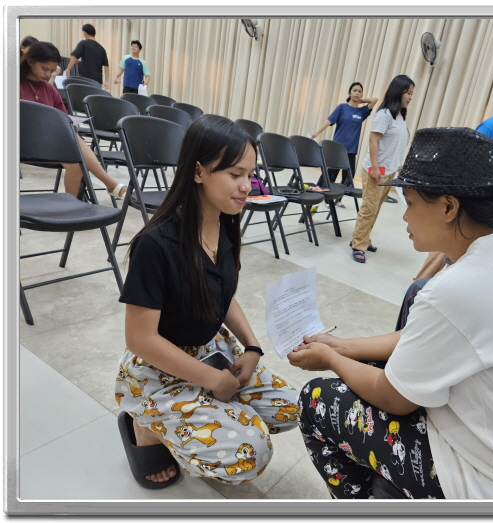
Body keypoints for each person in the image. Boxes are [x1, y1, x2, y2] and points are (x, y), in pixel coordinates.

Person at [289, 127, 493, 499]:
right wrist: (344, 346)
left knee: (317, 398)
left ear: (448, 207)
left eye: (411, 202)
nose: (404, 216)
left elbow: (394, 398)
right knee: (375, 362)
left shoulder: (461, 287)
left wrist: (331, 359)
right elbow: (422, 337)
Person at [115, 115, 299, 489]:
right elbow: (140, 339)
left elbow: (220, 293)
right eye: (235, 174)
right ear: (198, 171)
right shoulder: (156, 244)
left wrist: (252, 347)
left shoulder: (226, 223)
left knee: (292, 408)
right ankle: (145, 424)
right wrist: (214, 379)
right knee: (251, 454)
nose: (247, 186)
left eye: (251, 175)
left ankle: (205, 412)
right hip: (160, 366)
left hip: (211, 349)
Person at [413, 82, 493, 281]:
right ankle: (417, 290)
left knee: (455, 254)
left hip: (482, 199)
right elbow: (468, 159)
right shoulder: (492, 126)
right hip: (468, 197)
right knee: (443, 251)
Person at [20, 42, 126, 199]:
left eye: (52, 71)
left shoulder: (49, 90)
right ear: (30, 62)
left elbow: (63, 118)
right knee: (72, 139)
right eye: (44, 69)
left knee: (76, 162)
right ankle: (111, 184)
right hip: (22, 141)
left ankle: (71, 205)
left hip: (49, 142)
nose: (48, 74)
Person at [350, 74, 414, 263]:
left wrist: (398, 164)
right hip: (375, 171)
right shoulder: (384, 115)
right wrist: (376, 168)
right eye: (408, 93)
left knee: (375, 208)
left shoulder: (400, 116)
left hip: (390, 171)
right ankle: (358, 245)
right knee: (368, 209)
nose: (410, 97)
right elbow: (373, 141)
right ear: (398, 92)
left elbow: (395, 144)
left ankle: (362, 238)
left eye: (412, 93)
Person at [311, 82, 377, 208]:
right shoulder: (342, 107)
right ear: (349, 93)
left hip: (351, 150)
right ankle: (327, 200)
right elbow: (329, 121)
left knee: (348, 177)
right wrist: (316, 132)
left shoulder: (362, 112)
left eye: (359, 91)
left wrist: (361, 100)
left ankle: (338, 199)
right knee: (331, 175)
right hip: (337, 149)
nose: (357, 93)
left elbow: (375, 100)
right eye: (354, 90)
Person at [64, 23, 110, 89]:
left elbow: (75, 56)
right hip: (98, 81)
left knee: (85, 95)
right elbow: (106, 65)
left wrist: (68, 69)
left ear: (85, 33)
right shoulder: (101, 48)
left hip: (85, 79)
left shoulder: (83, 43)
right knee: (95, 95)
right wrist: (107, 81)